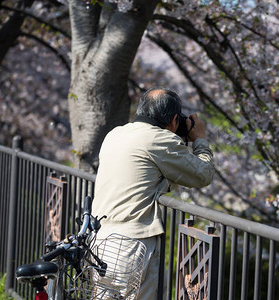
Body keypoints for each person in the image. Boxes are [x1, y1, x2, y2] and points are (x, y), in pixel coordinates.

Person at [92, 87, 215, 299]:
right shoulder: (158, 140)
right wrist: (200, 140)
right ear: (174, 119)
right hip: (131, 246)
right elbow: (203, 175)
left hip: (100, 241)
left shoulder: (115, 134)